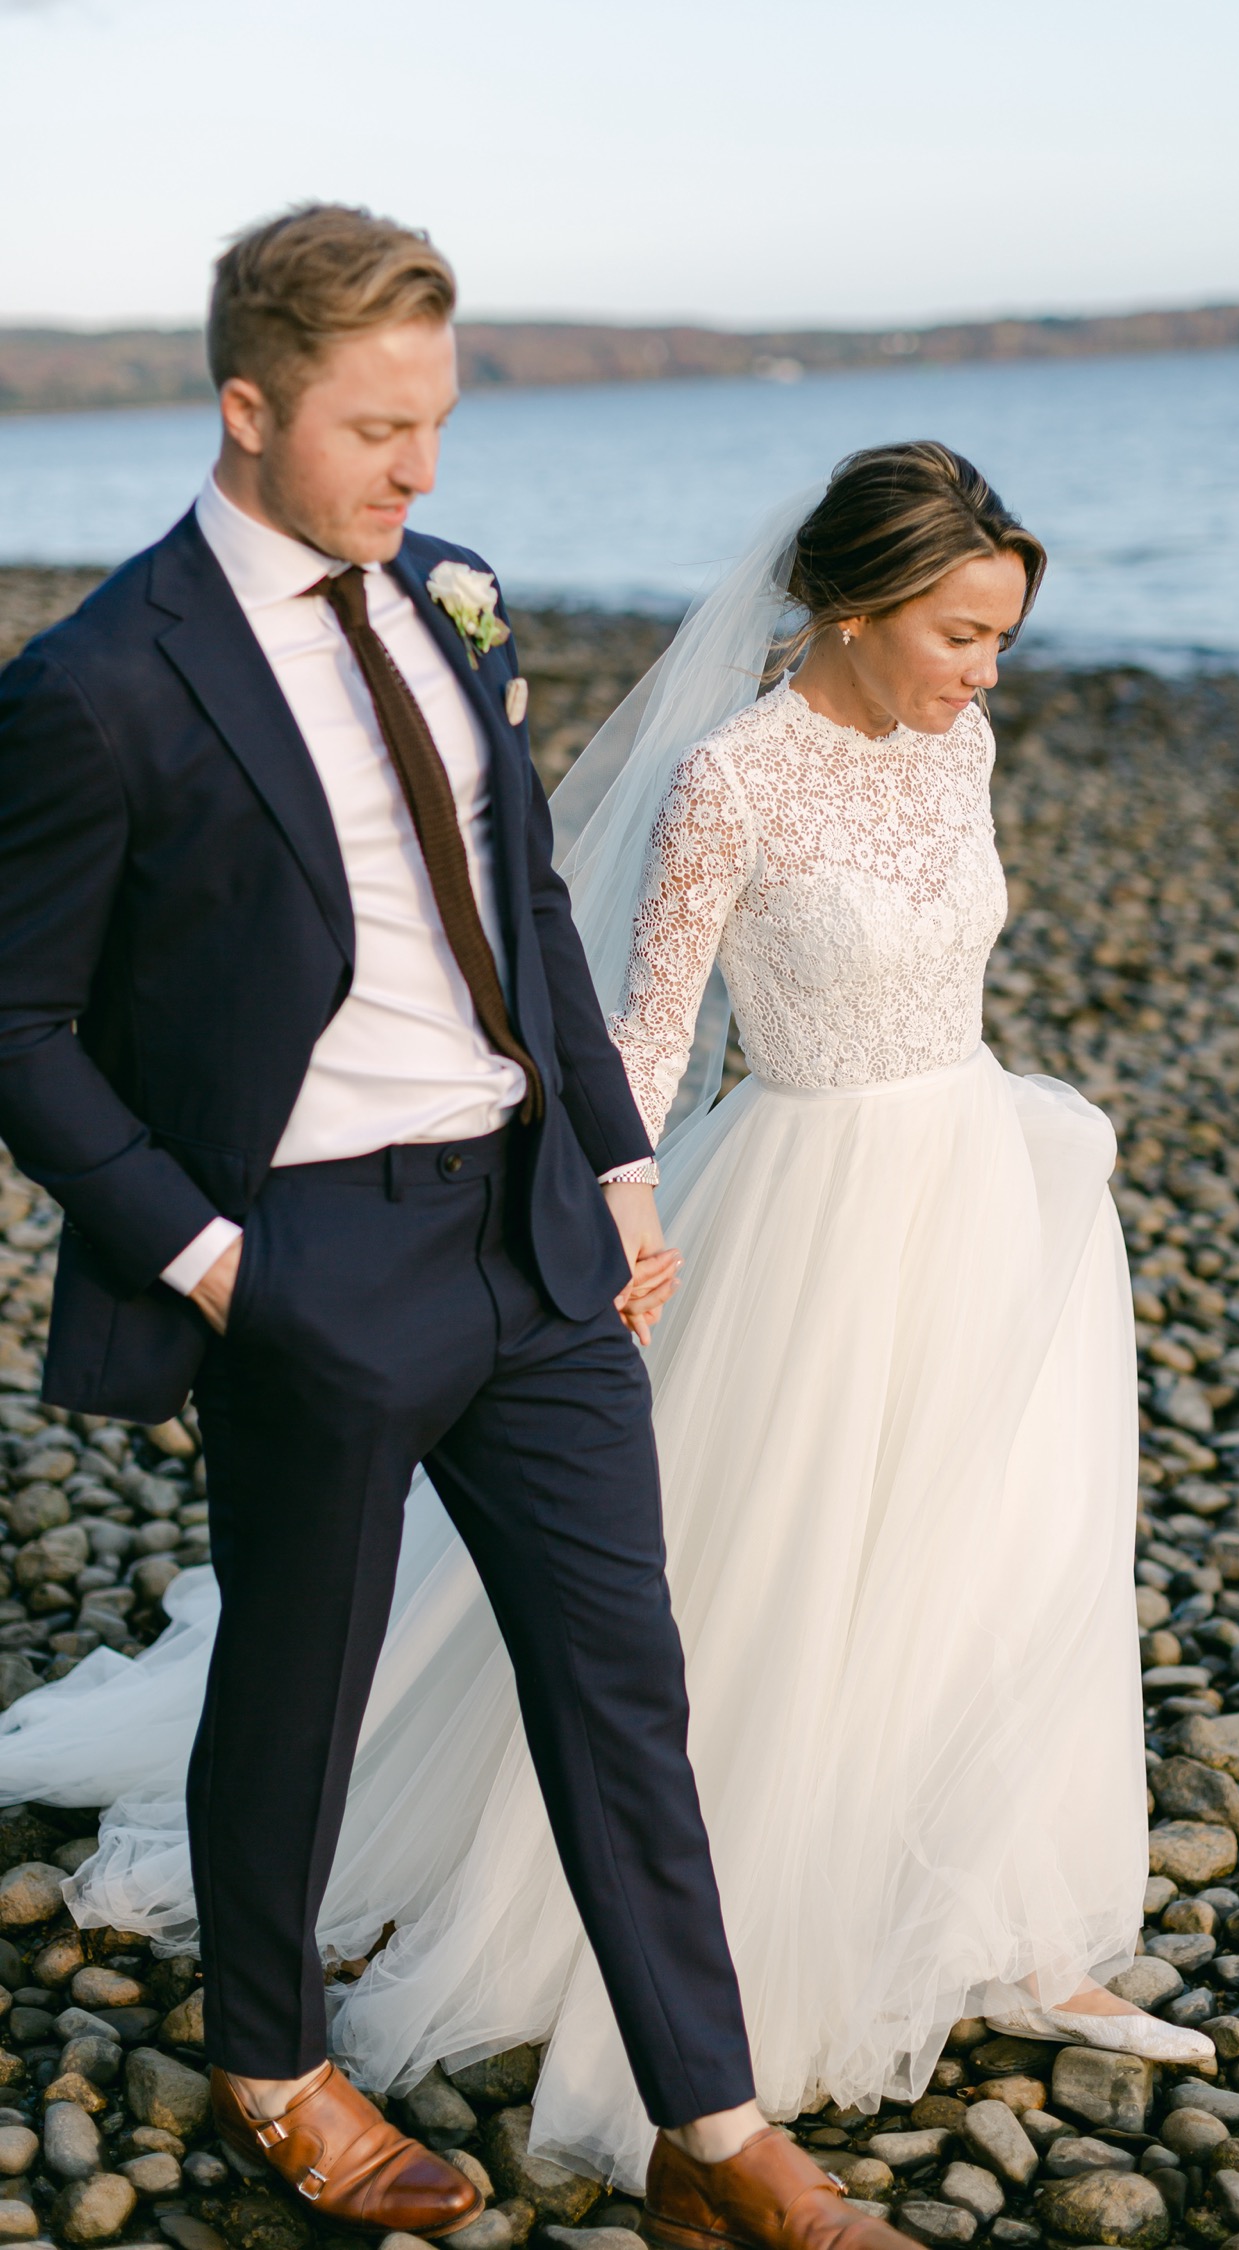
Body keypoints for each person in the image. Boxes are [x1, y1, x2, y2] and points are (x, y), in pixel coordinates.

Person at [0, 203, 922, 2250]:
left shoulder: (456, 600)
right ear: (245, 409)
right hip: (308, 1257)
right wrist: (215, 1256)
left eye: (438, 418)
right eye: (372, 428)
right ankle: (270, 2058)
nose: (419, 470)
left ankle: (713, 2124)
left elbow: (517, 915)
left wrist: (612, 1157)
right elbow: (18, 1020)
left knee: (625, 1680)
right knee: (300, 1686)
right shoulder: (102, 685)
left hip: (533, 1236)